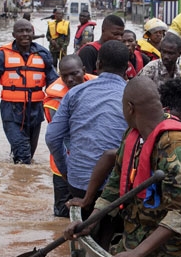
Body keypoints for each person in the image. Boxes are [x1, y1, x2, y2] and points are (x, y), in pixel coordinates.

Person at [67, 77, 181, 257]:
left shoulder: (175, 147)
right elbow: (114, 184)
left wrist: (137, 254)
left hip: (174, 242)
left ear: (129, 107)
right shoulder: (133, 134)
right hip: (139, 228)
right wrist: (91, 220)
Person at [46, 40, 128, 217]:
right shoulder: (133, 94)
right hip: (118, 187)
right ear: (128, 67)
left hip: (78, 182)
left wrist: (66, 171)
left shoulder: (74, 93)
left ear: (96, 65)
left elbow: (52, 138)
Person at [0, 19, 58, 164]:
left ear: (33, 33)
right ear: (14, 34)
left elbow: (54, 83)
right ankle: (20, 181)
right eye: (21, 31)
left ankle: (17, 179)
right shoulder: (3, 56)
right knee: (23, 155)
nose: (25, 34)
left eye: (28, 31)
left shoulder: (43, 54)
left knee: (29, 155)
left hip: (35, 110)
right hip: (11, 110)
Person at [43, 55, 96, 217]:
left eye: (74, 74)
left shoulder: (98, 88)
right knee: (61, 213)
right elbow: (58, 138)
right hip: (63, 163)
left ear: (84, 72)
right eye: (64, 76)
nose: (70, 79)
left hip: (93, 163)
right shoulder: (54, 102)